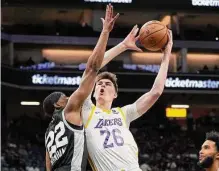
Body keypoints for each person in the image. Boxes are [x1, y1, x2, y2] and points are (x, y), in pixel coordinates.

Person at [82, 30, 173, 171]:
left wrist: (166, 56)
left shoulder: (124, 113)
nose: (102, 86)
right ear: (92, 92)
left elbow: (156, 92)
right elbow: (91, 70)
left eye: (107, 84)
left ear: (115, 95)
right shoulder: (87, 111)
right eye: (99, 84)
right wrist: (123, 46)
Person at [44, 4, 119, 171]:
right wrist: (105, 32)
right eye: (64, 97)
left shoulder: (48, 133)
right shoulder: (69, 110)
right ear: (58, 105)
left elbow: (48, 167)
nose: (69, 97)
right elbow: (92, 68)